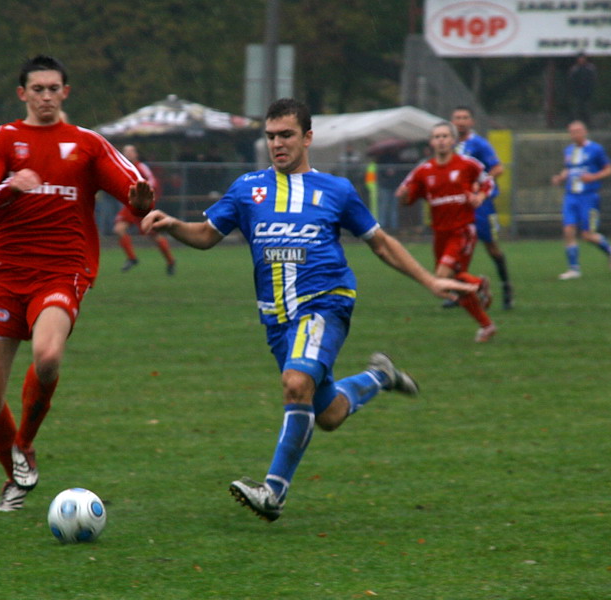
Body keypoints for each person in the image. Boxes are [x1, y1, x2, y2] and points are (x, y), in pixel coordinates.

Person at [141, 98, 476, 522]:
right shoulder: (248, 189)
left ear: (307, 138)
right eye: (271, 136)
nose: (277, 144)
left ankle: (273, 493)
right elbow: (207, 235)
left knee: (295, 383)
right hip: (278, 321)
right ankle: (380, 375)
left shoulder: (336, 190)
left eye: (286, 135)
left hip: (326, 304)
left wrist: (429, 281)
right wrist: (171, 224)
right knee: (329, 413)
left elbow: (380, 242)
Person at [0, 55, 153, 512]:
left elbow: (134, 190)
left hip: (61, 271)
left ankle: (24, 442)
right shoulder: (2, 139)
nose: (46, 96)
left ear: (65, 92)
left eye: (54, 89)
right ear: (22, 94)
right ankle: (16, 478)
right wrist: (12, 185)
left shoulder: (86, 143)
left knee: (48, 356)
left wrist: (143, 198)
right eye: (37, 89)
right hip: (6, 274)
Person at [396, 121, 497, 343]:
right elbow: (407, 195)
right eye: (436, 137)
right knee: (452, 283)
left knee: (442, 277)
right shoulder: (424, 170)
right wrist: (403, 195)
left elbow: (488, 181)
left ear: (453, 141)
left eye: (444, 136)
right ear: (431, 142)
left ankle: (479, 285)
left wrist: (480, 196)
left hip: (462, 230)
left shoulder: (467, 165)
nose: (441, 140)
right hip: (440, 233)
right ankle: (486, 325)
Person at [450, 106, 513, 309]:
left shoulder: (479, 144)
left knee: (492, 247)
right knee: (456, 250)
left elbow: (498, 168)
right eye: (457, 118)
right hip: (458, 205)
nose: (461, 121)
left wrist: (482, 182)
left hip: (481, 205)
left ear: (472, 122)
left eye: (465, 117)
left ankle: (506, 289)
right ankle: (459, 293)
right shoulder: (448, 144)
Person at [550, 121, 611, 280]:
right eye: (572, 132)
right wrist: (560, 177)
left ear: (585, 132)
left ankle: (610, 251)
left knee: (588, 235)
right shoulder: (568, 150)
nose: (575, 134)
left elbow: (609, 169)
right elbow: (569, 169)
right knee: (568, 230)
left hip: (589, 196)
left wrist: (593, 177)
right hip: (571, 196)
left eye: (578, 131)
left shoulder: (596, 149)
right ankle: (574, 269)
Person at [113, 144, 176, 275]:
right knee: (119, 228)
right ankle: (132, 258)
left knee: (153, 235)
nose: (128, 154)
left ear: (136, 154)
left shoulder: (141, 167)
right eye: (125, 151)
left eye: (131, 151)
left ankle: (170, 261)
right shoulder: (122, 167)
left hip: (142, 205)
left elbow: (153, 182)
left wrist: (147, 197)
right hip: (129, 205)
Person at [568, 52, 596, 126]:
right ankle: (576, 125)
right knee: (576, 111)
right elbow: (571, 81)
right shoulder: (574, 69)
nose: (581, 60)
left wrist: (590, 90)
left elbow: (592, 80)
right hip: (577, 94)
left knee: (587, 110)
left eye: (583, 58)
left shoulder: (590, 68)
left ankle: (589, 125)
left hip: (587, 94)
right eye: (580, 58)